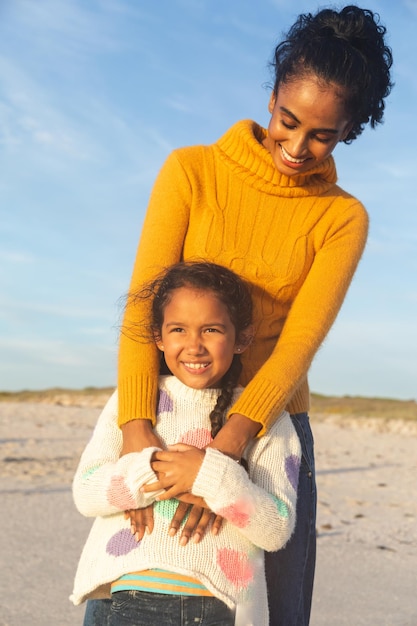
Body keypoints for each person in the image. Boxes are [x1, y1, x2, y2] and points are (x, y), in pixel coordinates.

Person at [115, 6, 393, 625]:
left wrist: (232, 446)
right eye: (287, 121)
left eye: (322, 135)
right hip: (169, 416)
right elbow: (143, 306)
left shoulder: (343, 218)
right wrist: (135, 426)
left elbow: (299, 343)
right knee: (147, 593)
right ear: (271, 97)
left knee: (276, 612)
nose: (297, 147)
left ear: (349, 130)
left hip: (272, 434)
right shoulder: (192, 171)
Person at [71, 261, 301, 626]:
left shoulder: (266, 417)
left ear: (241, 337)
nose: (194, 346)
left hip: (203, 603)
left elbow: (275, 528)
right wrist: (148, 473)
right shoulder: (134, 400)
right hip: (116, 592)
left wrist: (208, 477)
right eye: (178, 329)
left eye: (211, 329)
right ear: (159, 337)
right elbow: (85, 493)